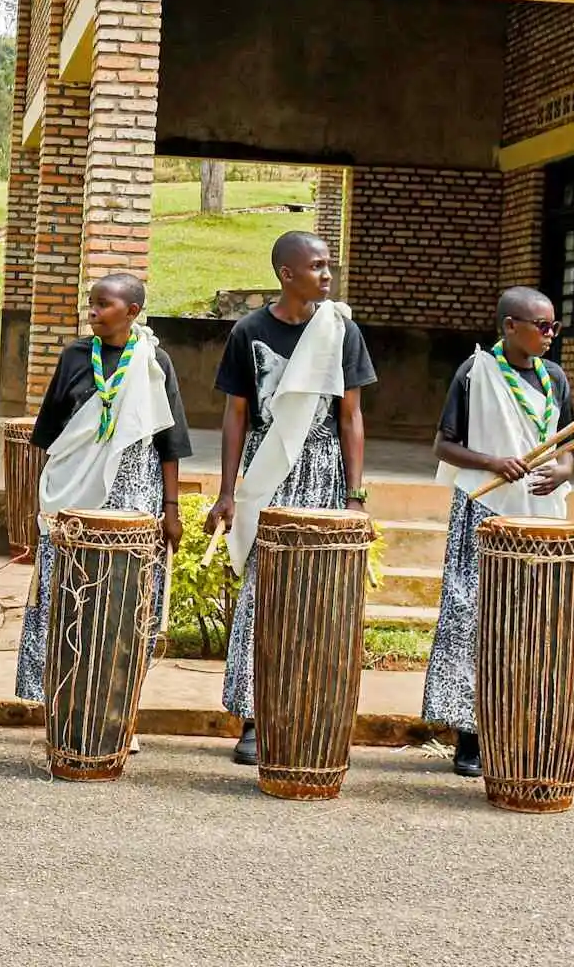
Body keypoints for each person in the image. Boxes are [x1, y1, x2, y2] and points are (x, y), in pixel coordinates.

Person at [205, 231, 375, 766]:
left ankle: (307, 710)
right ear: (287, 273)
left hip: (323, 469)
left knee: (317, 595)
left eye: (329, 266)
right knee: (262, 591)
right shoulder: (249, 332)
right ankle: (254, 718)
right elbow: (235, 415)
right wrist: (227, 492)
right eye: (318, 266)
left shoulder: (341, 331)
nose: (327, 276)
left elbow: (351, 415)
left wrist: (354, 495)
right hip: (266, 471)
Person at [15, 274, 189, 755]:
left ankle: (118, 713)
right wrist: (41, 502)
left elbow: (169, 443)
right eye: (90, 303)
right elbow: (49, 434)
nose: (92, 311)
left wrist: (170, 510)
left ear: (132, 311)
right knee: (65, 600)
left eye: (103, 304)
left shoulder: (154, 362)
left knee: (123, 608)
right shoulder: (74, 356)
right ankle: (65, 707)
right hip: (73, 496)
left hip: (134, 495)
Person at [423, 287, 574, 777]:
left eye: (554, 326)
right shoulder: (475, 372)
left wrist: (564, 471)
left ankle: (517, 730)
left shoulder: (555, 377)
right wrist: (492, 461)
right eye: (541, 325)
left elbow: (567, 445)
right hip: (484, 510)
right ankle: (469, 737)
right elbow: (444, 445)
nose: (550, 334)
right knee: (477, 621)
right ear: (510, 326)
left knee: (530, 623)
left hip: (537, 515)